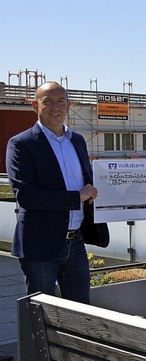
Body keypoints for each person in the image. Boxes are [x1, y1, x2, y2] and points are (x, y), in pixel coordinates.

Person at [6, 81, 109, 304]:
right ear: (35, 105)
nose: (55, 107)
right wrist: (77, 197)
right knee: (41, 313)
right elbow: (26, 196)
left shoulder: (78, 141)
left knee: (81, 312)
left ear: (68, 105)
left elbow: (87, 183)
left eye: (61, 101)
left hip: (76, 242)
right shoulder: (20, 144)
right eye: (48, 102)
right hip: (40, 245)